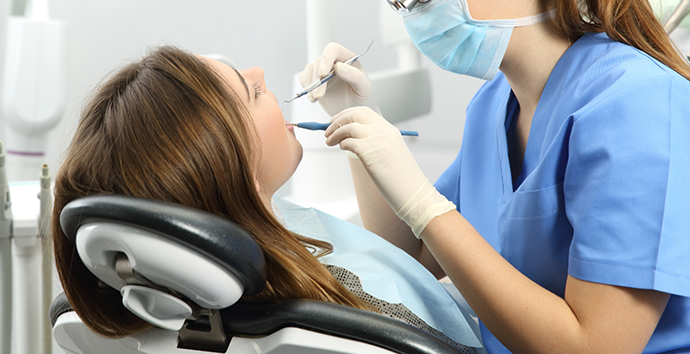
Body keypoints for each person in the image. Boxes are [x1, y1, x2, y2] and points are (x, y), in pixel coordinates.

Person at [299, 0, 690, 354]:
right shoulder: (491, 107)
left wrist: (423, 201)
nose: (409, 10)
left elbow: (596, 346)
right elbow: (412, 250)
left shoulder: (637, 104)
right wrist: (359, 122)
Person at [52, 45, 481, 352]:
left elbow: (393, 257)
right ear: (241, 180)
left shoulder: (205, 273)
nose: (259, 71)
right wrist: (424, 205)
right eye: (250, 92)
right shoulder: (352, 316)